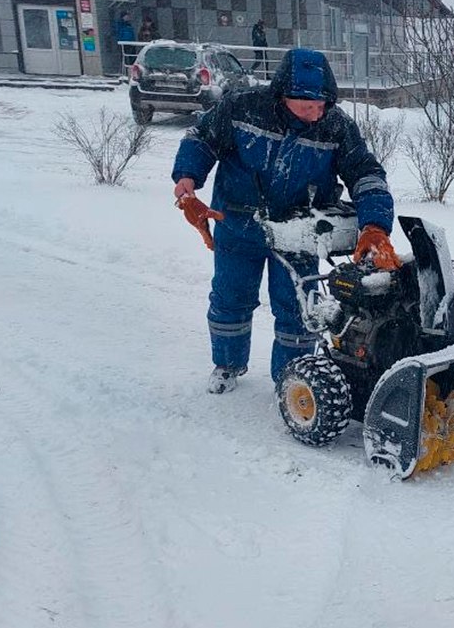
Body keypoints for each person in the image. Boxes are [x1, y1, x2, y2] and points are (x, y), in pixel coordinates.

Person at [171, 48, 399, 394]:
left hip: (298, 232)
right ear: (282, 95)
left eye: (321, 105)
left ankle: (292, 378)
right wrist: (187, 179)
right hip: (237, 223)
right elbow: (201, 138)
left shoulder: (335, 126)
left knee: (298, 308)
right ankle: (227, 364)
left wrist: (376, 224)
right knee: (231, 298)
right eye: (306, 107)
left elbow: (365, 173)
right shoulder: (242, 107)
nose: (315, 114)